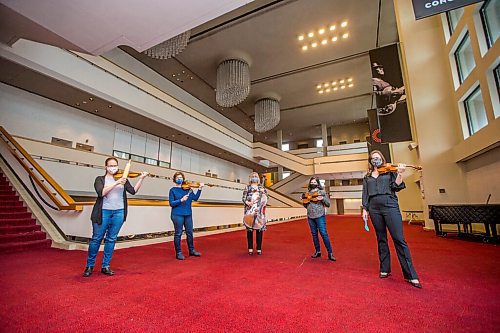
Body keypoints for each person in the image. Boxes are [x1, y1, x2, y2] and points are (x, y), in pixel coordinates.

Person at [362, 150, 421, 288]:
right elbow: (365, 194)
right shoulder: (367, 177)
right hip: (374, 208)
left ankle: (411, 275)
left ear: (382, 158)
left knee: (399, 239)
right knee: (381, 238)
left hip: (390, 205)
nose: (375, 160)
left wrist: (400, 173)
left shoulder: (389, 172)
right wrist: (365, 209)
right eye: (372, 158)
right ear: (370, 161)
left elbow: (397, 186)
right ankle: (384, 268)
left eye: (377, 158)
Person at [83, 157, 148, 277]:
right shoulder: (100, 179)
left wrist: (141, 179)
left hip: (119, 212)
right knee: (97, 238)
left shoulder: (123, 179)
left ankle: (105, 266)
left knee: (111, 239)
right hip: (103, 212)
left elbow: (133, 191)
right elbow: (101, 192)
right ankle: (89, 266)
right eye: (110, 165)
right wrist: (116, 183)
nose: (113, 167)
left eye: (115, 165)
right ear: (106, 167)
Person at [169, 172, 203, 260]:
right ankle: (178, 253)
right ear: (174, 179)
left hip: (188, 214)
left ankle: (191, 250)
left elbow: (195, 198)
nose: (180, 179)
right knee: (178, 233)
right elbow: (171, 203)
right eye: (178, 178)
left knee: (190, 233)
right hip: (177, 214)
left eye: (181, 177)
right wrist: (181, 200)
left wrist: (200, 189)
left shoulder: (188, 189)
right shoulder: (172, 190)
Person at [302, 177, 336, 261]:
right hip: (310, 216)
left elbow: (328, 204)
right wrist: (304, 201)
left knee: (323, 233)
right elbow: (306, 205)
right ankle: (318, 251)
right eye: (311, 182)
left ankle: (330, 253)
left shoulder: (322, 192)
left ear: (317, 183)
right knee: (314, 234)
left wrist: (323, 199)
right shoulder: (307, 193)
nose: (313, 183)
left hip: (320, 215)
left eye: (314, 182)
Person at [242, 172, 268, 255]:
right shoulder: (247, 187)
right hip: (250, 210)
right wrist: (247, 202)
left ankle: (259, 248)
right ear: (250, 178)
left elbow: (266, 199)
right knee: (249, 229)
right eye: (252, 176)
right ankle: (250, 248)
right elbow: (243, 198)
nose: (254, 177)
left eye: (256, 176)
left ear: (258, 178)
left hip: (259, 211)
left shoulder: (261, 188)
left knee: (259, 230)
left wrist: (263, 193)